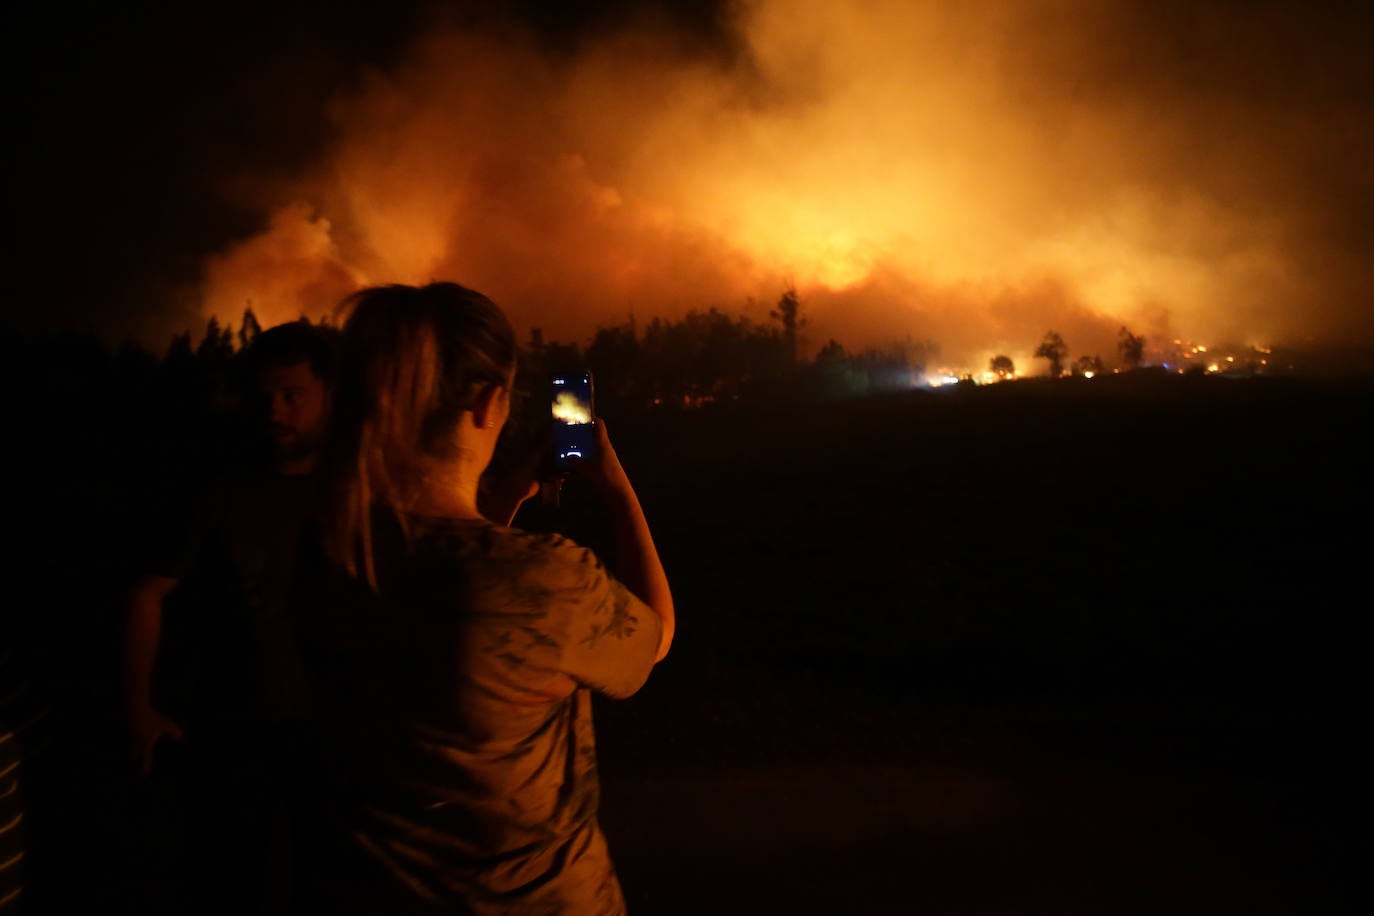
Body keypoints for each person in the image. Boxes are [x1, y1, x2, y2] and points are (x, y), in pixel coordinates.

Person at [297, 282, 674, 914]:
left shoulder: (329, 546)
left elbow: (454, 592)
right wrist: (616, 489)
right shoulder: (543, 581)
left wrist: (501, 498)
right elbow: (653, 637)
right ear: (489, 403)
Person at [122, 319, 339, 914]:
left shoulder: (352, 490)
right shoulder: (220, 488)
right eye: (265, 396)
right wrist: (138, 711)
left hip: (334, 741)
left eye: (293, 395)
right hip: (230, 740)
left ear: (330, 396)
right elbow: (148, 593)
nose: (276, 411)